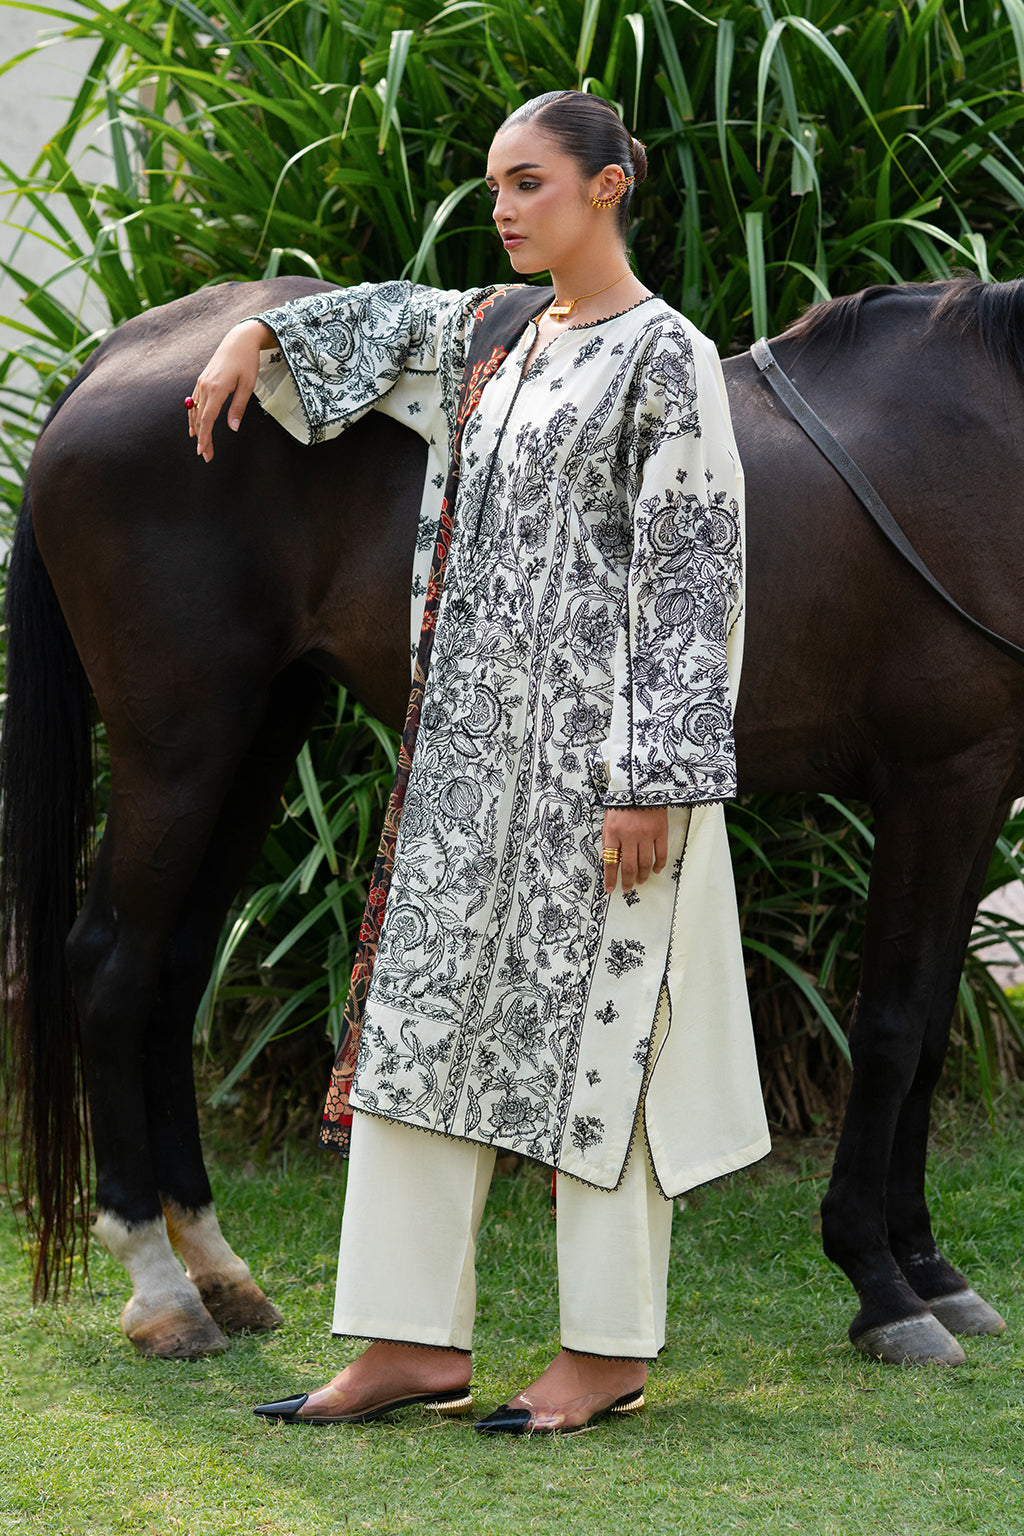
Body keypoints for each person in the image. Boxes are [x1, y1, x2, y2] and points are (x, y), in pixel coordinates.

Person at [188, 89, 770, 1435]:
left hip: (602, 781)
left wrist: (653, 780)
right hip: (462, 767)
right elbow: (391, 316)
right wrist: (257, 324)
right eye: (497, 185)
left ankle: (608, 1354)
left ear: (608, 188)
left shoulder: (667, 357)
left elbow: (694, 580)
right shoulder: (501, 335)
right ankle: (405, 1343)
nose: (504, 208)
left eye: (530, 184)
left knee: (603, 1049)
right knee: (416, 1036)